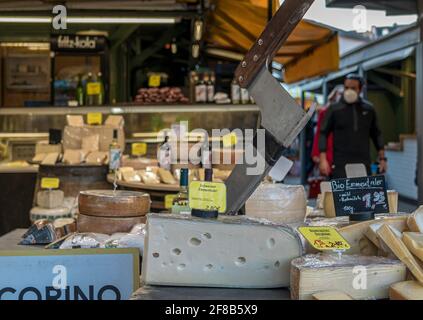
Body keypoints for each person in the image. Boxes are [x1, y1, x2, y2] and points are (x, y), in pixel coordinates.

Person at [318, 74, 387, 179]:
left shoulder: (369, 109)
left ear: (360, 89)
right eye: (346, 88)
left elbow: (376, 134)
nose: (349, 91)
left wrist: (383, 159)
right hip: (340, 164)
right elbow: (323, 133)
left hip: (363, 163)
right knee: (341, 194)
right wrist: (323, 160)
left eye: (353, 88)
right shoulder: (334, 109)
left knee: (363, 193)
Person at [311, 85, 343, 176]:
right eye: (340, 94)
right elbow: (319, 134)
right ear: (335, 95)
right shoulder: (325, 112)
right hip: (328, 151)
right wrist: (316, 154)